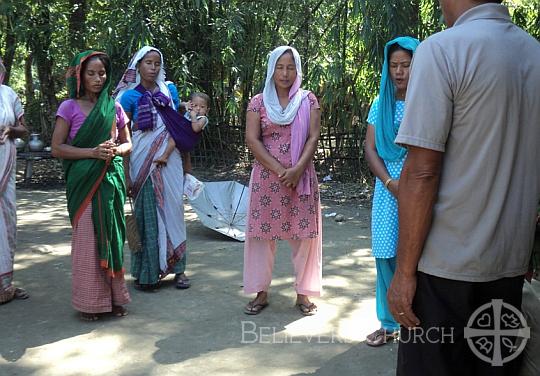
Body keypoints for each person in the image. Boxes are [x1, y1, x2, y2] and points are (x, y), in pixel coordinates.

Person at [387, 1, 540, 374]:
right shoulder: (534, 53)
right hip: (508, 267)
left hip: (445, 271)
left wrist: (404, 273)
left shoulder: (443, 50)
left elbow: (422, 172)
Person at [52, 51, 132, 320]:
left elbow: (127, 143)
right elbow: (57, 148)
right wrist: (92, 153)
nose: (98, 79)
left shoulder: (114, 107)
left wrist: (115, 151)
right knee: (88, 239)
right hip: (83, 182)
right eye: (91, 73)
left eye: (102, 73)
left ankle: (115, 298)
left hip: (110, 180)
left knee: (112, 237)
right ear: (79, 76)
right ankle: (90, 302)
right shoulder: (68, 107)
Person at [243, 46, 322, 316]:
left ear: (297, 70)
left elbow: (313, 136)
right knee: (261, 238)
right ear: (271, 69)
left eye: (290, 67)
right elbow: (252, 140)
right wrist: (280, 170)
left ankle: (304, 294)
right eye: (280, 67)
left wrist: (298, 169)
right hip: (267, 179)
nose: (285, 73)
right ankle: (260, 292)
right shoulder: (257, 102)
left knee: (305, 237)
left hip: (301, 178)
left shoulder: (308, 100)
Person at [114, 46, 191, 290]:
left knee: (174, 211)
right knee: (146, 214)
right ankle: (147, 274)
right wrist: (125, 173)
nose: (153, 67)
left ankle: (179, 270)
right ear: (138, 66)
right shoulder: (127, 97)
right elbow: (123, 137)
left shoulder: (170, 91)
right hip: (141, 160)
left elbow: (177, 127)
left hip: (171, 159)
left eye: (157, 63)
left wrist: (170, 155)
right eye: (148, 63)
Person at [363, 36, 419, 347]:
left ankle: (415, 320)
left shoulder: (429, 101)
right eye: (393, 65)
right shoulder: (379, 104)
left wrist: (410, 186)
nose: (399, 71)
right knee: (386, 256)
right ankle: (387, 322)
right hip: (388, 190)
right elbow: (371, 150)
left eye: (406, 65)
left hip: (421, 190)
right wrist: (390, 183)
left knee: (418, 257)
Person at [0, 57, 29, 305]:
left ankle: (4, 285)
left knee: (6, 221)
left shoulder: (8, 94)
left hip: (5, 167)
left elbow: (24, 129)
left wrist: (10, 130)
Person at [154, 91, 209, 168]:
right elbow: (180, 106)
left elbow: (196, 129)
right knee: (185, 156)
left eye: (202, 107)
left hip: (188, 139)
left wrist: (193, 116)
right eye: (195, 105)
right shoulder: (188, 112)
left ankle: (165, 156)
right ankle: (187, 173)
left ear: (207, 110)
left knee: (173, 138)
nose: (198, 108)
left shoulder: (203, 119)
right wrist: (186, 104)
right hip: (183, 136)